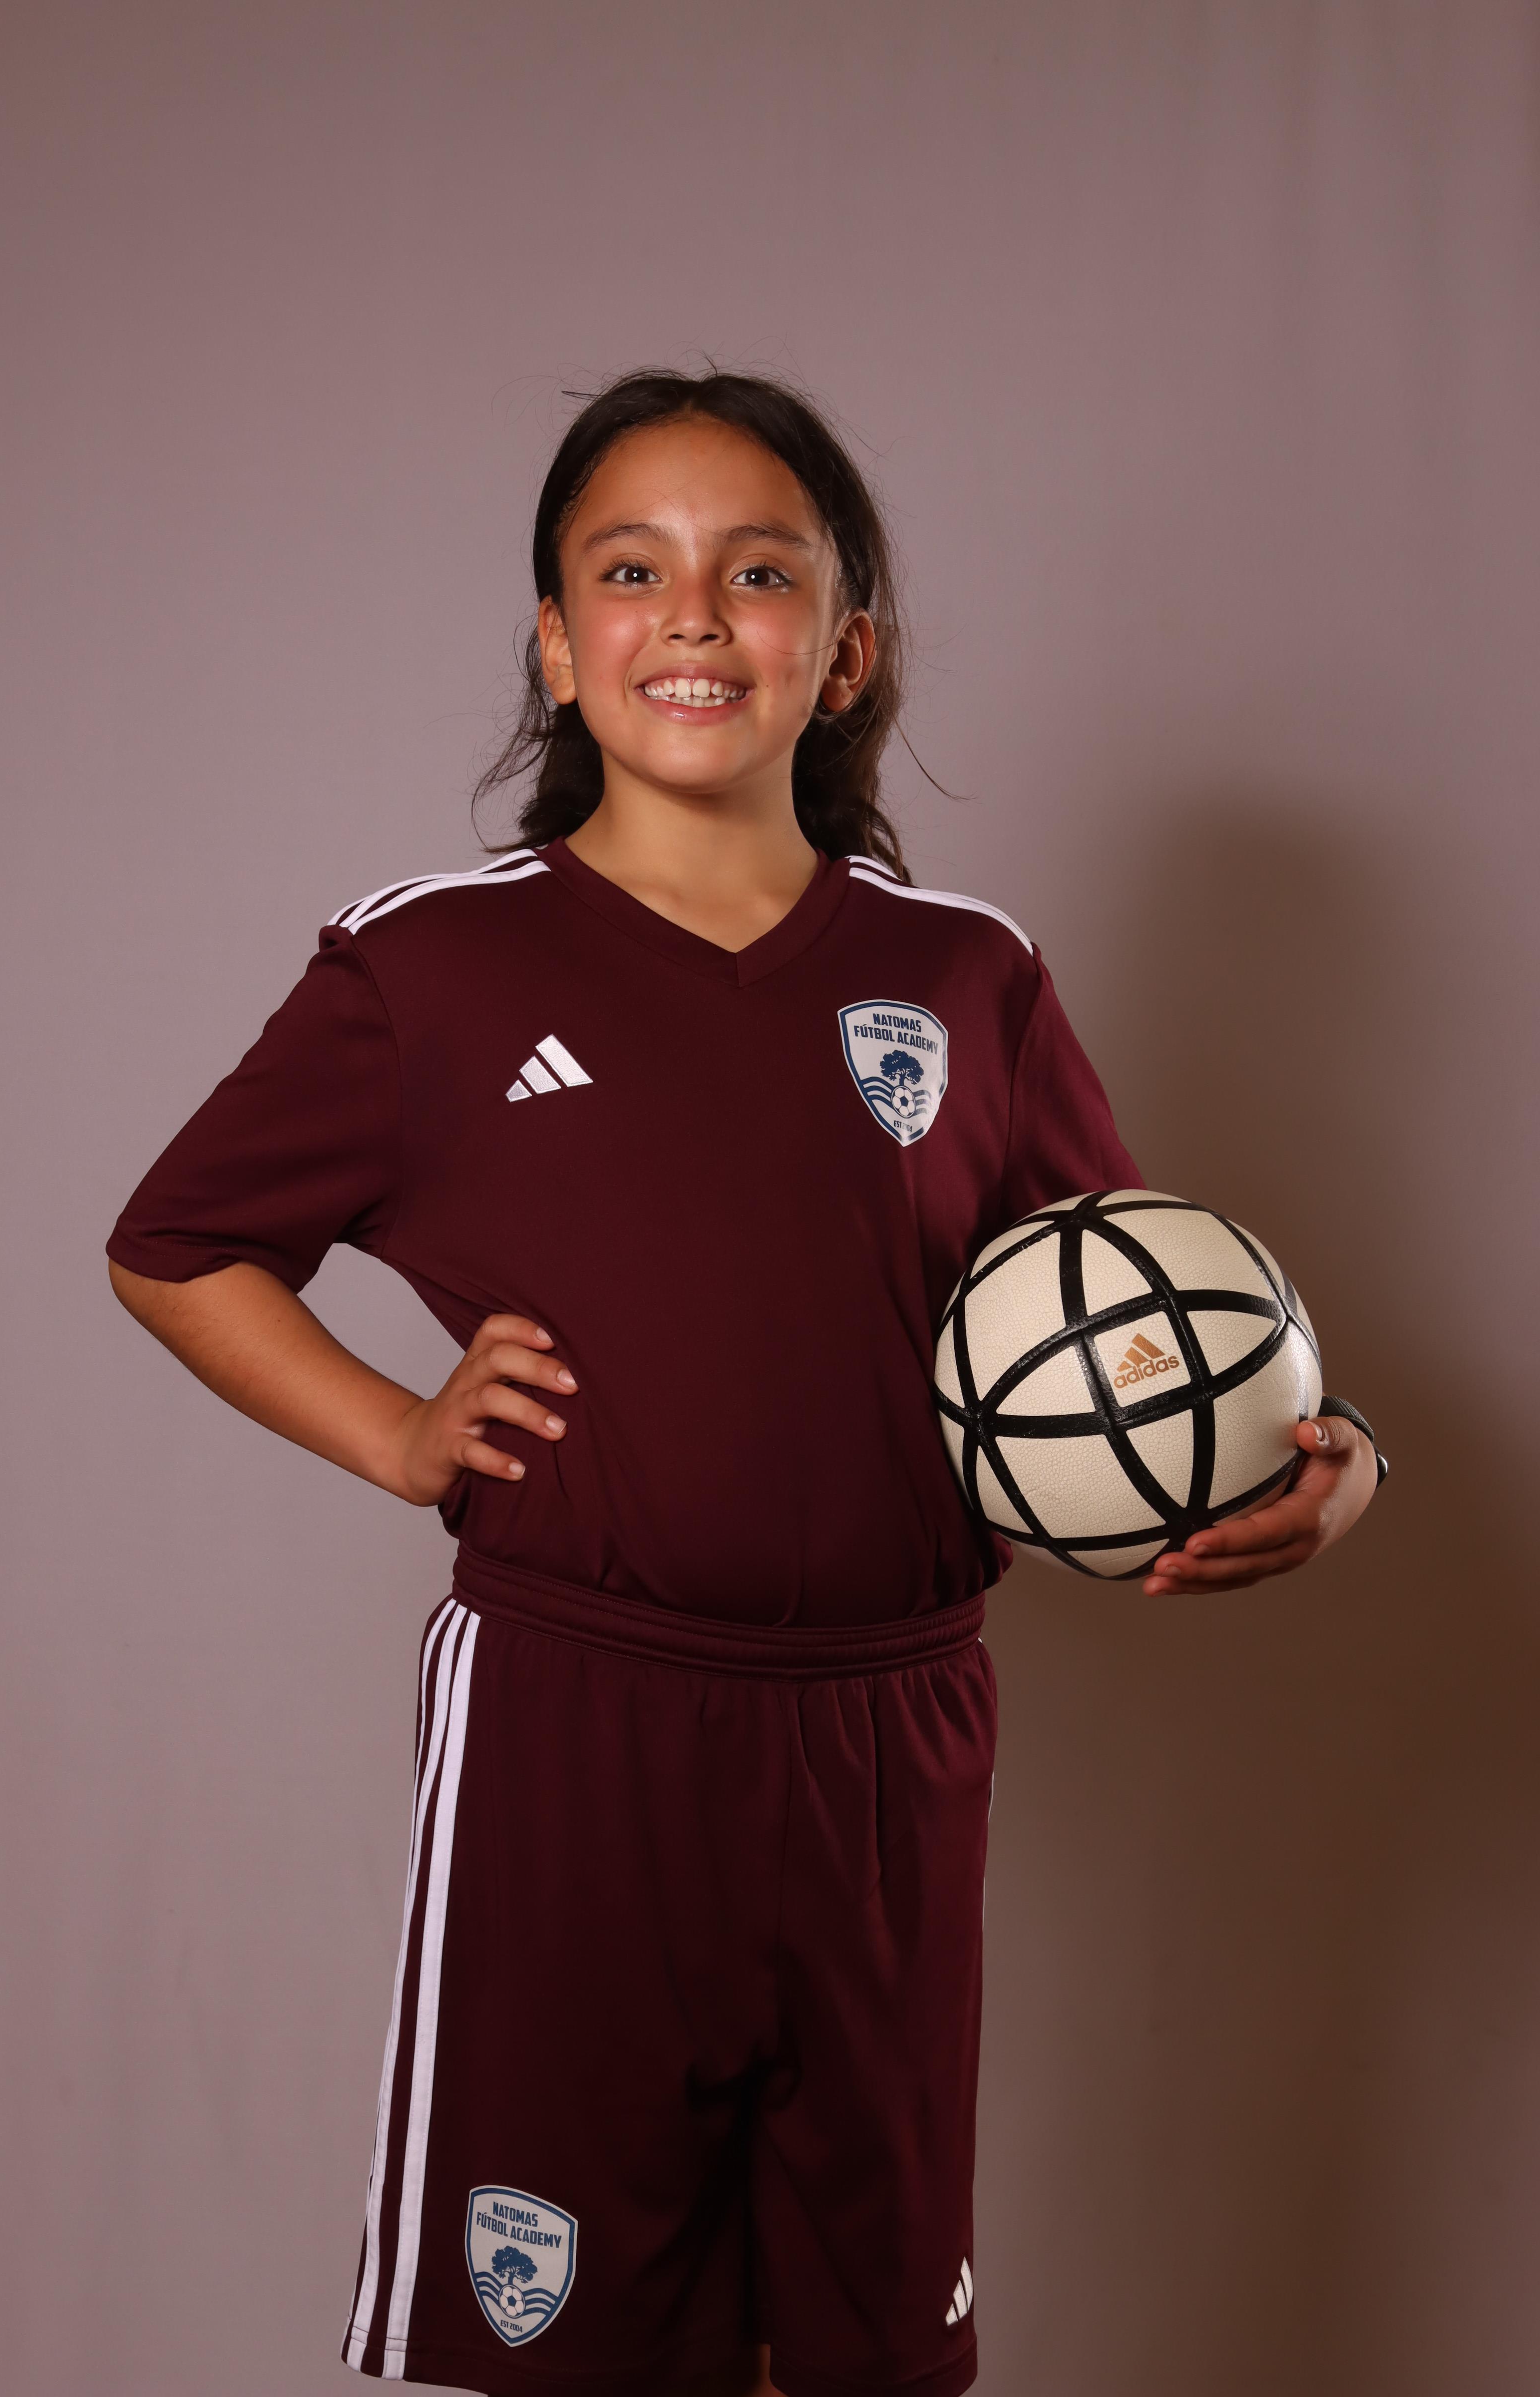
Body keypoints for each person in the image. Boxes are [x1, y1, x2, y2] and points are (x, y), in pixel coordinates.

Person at [106, 369, 1382, 2397]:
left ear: (844, 651)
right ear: (557, 643)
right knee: (577, 2347)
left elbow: (1148, 1319)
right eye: (632, 572)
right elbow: (175, 1245)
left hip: (894, 1730)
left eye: (759, 573)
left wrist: (1332, 1459)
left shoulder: (966, 975)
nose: (693, 615)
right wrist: (399, 1437)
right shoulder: (436, 967)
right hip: (577, 1721)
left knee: (858, 2346)